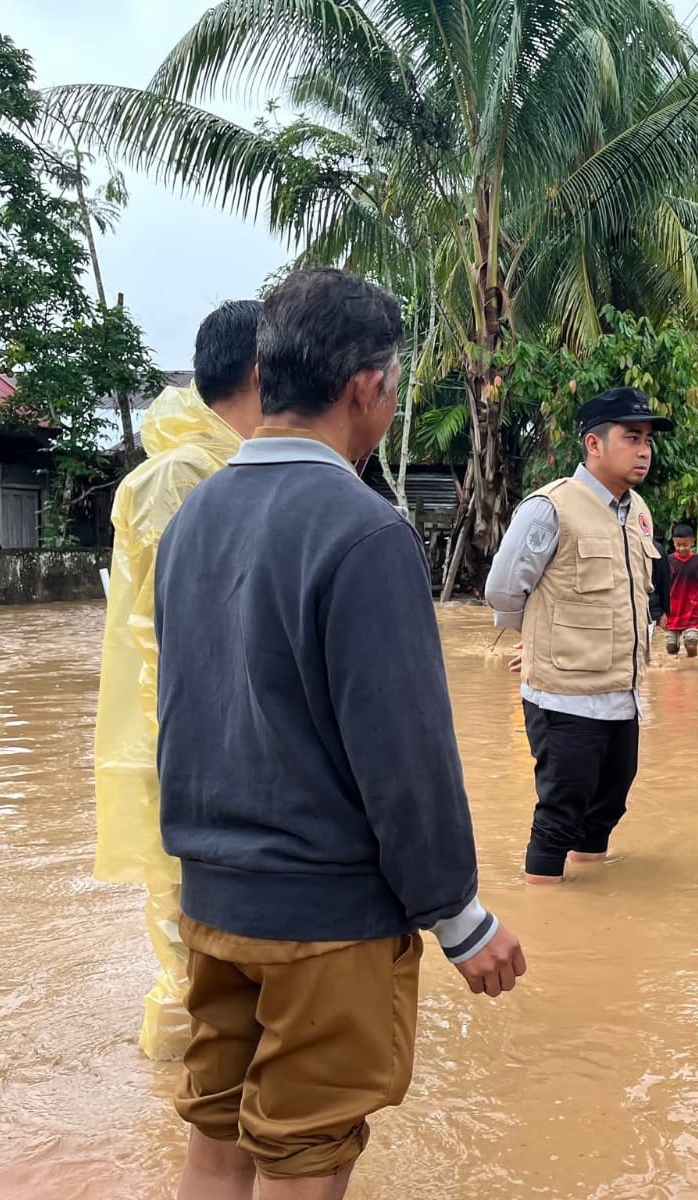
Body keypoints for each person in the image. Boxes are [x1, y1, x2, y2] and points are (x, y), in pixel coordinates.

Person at [153, 268, 524, 1200]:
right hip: (324, 919)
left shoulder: (193, 517)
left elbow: (185, 708)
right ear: (367, 387)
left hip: (210, 898)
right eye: (395, 387)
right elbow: (404, 760)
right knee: (307, 1154)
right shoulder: (364, 532)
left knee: (218, 1134)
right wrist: (460, 917)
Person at [91, 300, 263, 1062]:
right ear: (264, 373)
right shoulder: (180, 477)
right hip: (188, 750)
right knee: (191, 945)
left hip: (205, 747)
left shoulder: (214, 464)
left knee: (210, 944)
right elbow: (166, 640)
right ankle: (180, 1109)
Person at [485, 386, 669, 884]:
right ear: (593, 444)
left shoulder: (639, 514)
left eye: (648, 439)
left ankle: (589, 916)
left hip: (622, 696)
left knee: (606, 812)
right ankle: (545, 918)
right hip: (564, 699)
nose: (644, 450)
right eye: (632, 437)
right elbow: (503, 590)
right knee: (558, 818)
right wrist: (538, 639)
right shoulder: (550, 508)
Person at [662, 523, 698, 657]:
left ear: (692, 542)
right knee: (671, 648)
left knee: (691, 645)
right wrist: (661, 612)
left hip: (692, 611)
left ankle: (692, 668)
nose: (682, 548)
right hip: (672, 612)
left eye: (685, 545)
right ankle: (675, 674)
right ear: (673, 542)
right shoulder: (668, 561)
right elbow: (661, 586)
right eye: (678, 545)